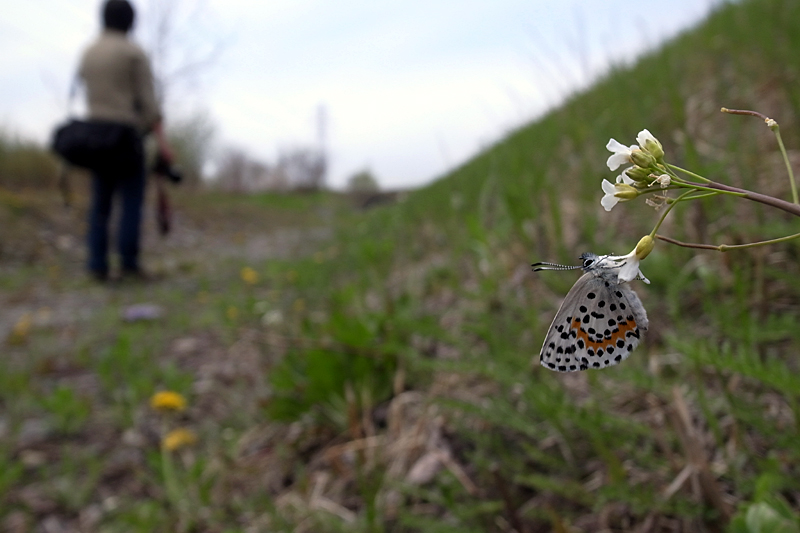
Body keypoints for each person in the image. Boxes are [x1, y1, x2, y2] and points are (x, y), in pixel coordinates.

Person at [78, 0, 172, 281]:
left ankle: (97, 264)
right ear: (131, 21)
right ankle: (128, 264)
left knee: (100, 203)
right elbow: (150, 106)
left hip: (95, 136)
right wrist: (158, 139)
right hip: (125, 136)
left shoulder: (89, 52)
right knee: (131, 201)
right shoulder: (133, 52)